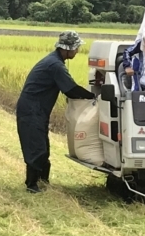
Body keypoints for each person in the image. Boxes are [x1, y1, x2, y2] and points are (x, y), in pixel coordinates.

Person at [16, 31, 95, 194]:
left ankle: (42, 182)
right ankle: (32, 185)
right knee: (36, 147)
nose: (77, 51)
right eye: (76, 48)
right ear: (67, 48)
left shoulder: (55, 61)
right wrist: (94, 97)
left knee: (42, 145)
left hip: (37, 110)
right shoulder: (55, 65)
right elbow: (71, 89)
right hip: (32, 110)